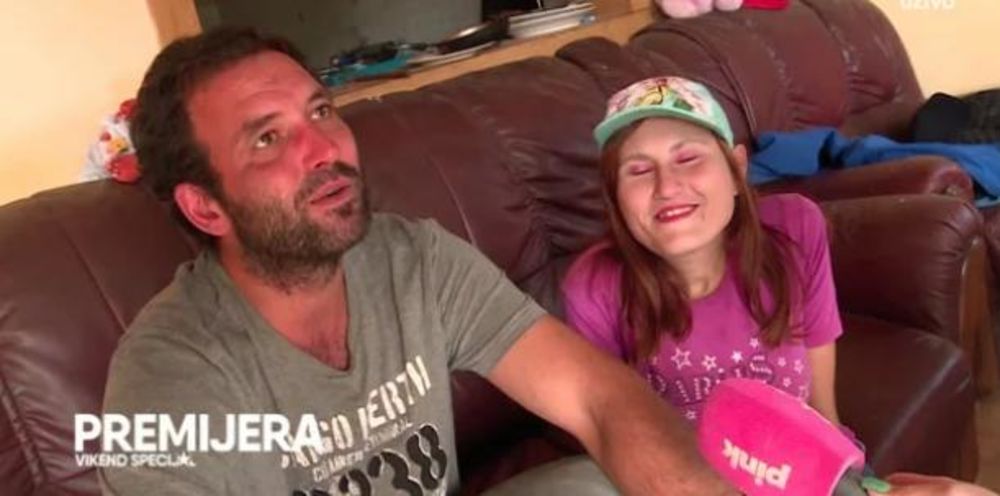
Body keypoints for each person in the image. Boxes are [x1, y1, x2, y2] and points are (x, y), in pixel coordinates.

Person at [98, 28, 735, 496]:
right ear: (206, 208)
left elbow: (596, 397)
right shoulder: (165, 378)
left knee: (597, 481)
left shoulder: (413, 258)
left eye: (321, 111)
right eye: (268, 138)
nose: (324, 149)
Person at [561, 76, 843, 427]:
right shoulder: (593, 288)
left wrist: (837, 448)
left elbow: (820, 378)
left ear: (737, 169)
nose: (666, 187)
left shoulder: (796, 227)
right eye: (640, 170)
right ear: (615, 197)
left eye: (688, 158)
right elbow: (612, 422)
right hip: (678, 462)